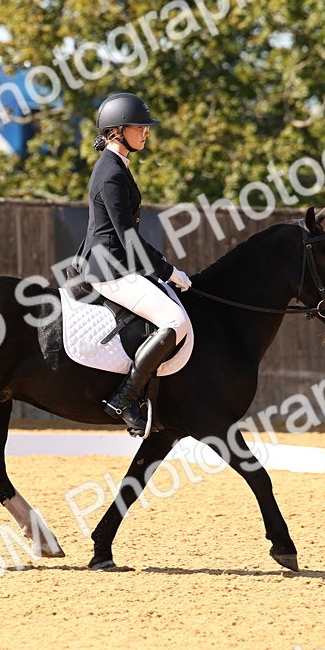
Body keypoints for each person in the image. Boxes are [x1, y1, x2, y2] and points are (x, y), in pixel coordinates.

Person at [75, 92, 192, 438]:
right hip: (111, 269)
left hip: (117, 263)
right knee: (176, 320)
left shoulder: (117, 166)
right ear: (117, 131)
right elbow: (126, 236)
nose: (146, 133)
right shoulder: (111, 172)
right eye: (140, 127)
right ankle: (125, 398)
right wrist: (167, 270)